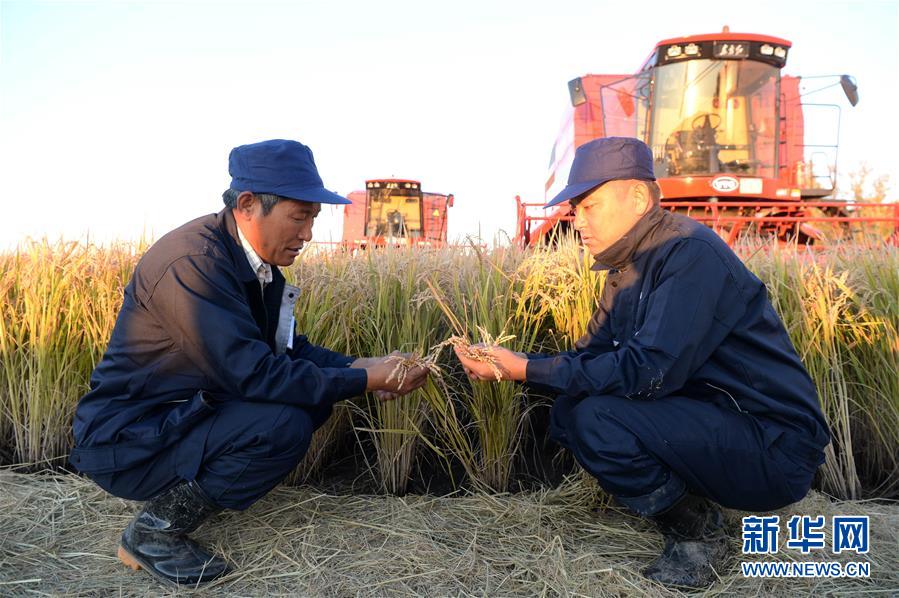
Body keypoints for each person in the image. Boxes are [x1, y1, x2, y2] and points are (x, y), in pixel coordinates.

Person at [453, 137, 830, 588]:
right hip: (720, 424)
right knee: (572, 410)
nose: (577, 223)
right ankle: (682, 499)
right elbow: (587, 359)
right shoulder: (627, 269)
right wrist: (507, 364)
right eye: (575, 210)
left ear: (636, 197)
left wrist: (524, 369)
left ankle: (697, 534)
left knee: (597, 419)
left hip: (772, 444)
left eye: (588, 206)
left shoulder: (690, 254)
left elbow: (649, 371)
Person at [69, 139, 429, 587]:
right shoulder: (193, 264)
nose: (308, 235)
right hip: (127, 439)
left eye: (313, 219)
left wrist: (365, 364)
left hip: (179, 416)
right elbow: (254, 373)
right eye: (299, 217)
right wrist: (360, 379)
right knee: (283, 424)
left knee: (309, 402)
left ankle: (177, 503)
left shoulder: (257, 268)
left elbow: (289, 351)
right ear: (247, 204)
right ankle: (153, 533)